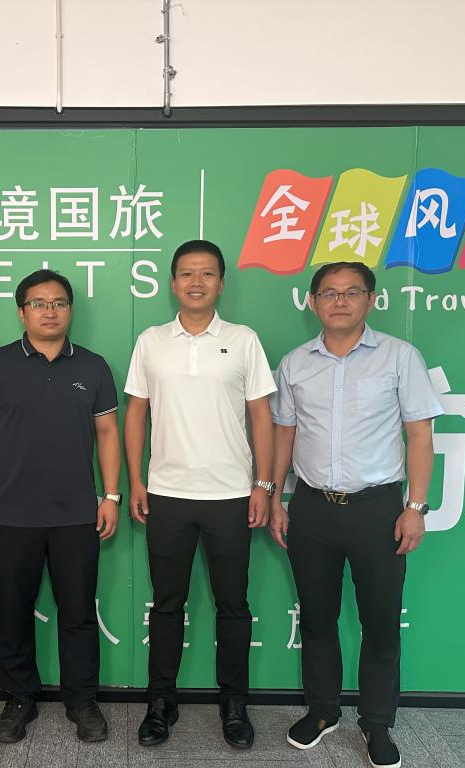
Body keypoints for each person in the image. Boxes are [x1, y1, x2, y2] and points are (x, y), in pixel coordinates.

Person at [269, 261, 443, 768]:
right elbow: (285, 434)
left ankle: (377, 722)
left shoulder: (399, 357)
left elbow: (419, 434)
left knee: (381, 621)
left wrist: (415, 507)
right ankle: (322, 711)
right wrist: (276, 498)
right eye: (329, 292)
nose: (340, 301)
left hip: (378, 509)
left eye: (351, 292)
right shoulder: (295, 363)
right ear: (313, 302)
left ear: (371, 299)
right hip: (312, 508)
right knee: (317, 618)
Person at [124, 240, 276, 750]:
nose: (196, 282)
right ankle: (160, 702)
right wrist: (136, 481)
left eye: (207, 274)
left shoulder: (243, 339)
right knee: (167, 604)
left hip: (231, 495)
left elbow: (261, 415)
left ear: (221, 283)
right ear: (173, 283)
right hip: (167, 494)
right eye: (187, 274)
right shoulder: (151, 341)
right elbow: (136, 412)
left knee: (233, 605)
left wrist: (263, 484)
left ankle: (234, 704)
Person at [0, 269, 122, 744]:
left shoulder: (93, 366)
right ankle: (18, 698)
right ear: (21, 312)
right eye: (38, 303)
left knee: (78, 613)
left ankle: (82, 700)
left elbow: (107, 433)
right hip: (11, 514)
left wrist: (111, 495)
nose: (50, 311)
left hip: (77, 514)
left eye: (59, 303)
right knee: (13, 611)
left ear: (70, 310)